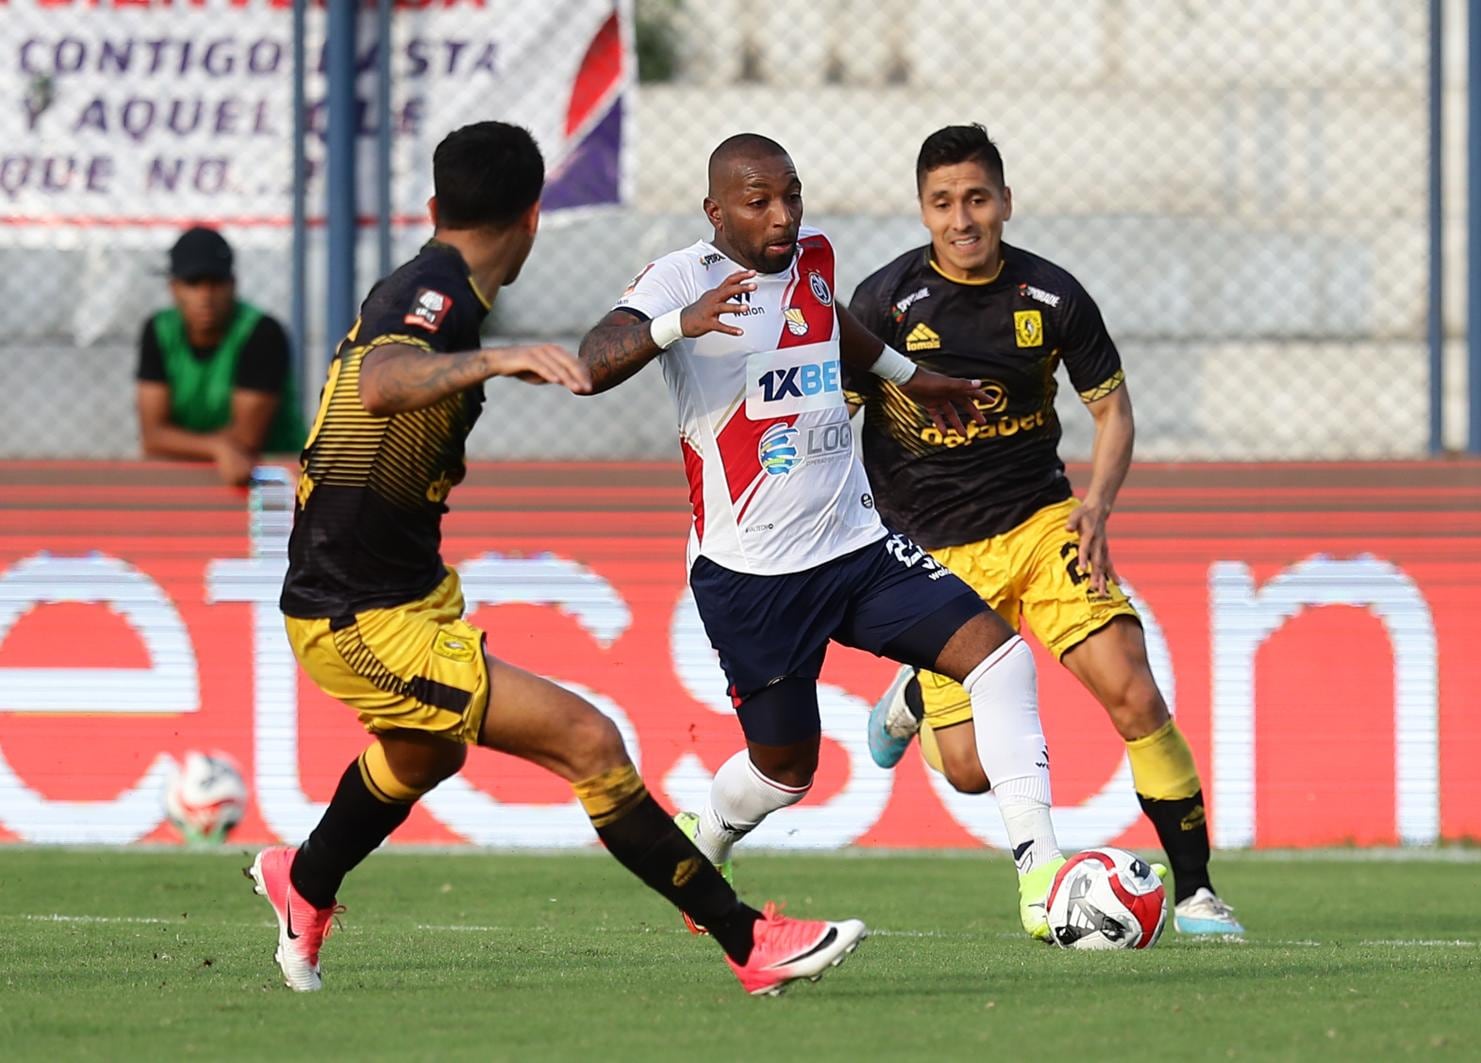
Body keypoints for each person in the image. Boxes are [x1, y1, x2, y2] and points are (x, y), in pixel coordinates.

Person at [251, 121, 866, 998]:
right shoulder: (435, 293)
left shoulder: (438, 285)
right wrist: (497, 359)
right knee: (590, 740)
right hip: (352, 614)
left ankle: (302, 881)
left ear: (435, 206)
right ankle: (749, 941)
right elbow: (385, 382)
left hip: (404, 596)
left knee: (423, 756)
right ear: (535, 218)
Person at [577, 132, 1073, 942]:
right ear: (716, 211)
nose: (782, 215)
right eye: (758, 201)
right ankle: (707, 840)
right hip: (751, 576)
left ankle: (1042, 873)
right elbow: (591, 363)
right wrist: (676, 325)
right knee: (785, 770)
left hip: (856, 545)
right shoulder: (682, 277)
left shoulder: (813, 256)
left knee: (1000, 654)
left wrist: (915, 379)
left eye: (792, 195)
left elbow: (827, 325)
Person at [847, 124, 1243, 936]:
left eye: (978, 199)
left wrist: (1097, 502)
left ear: (1006, 202)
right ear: (923, 211)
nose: (964, 219)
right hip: (936, 552)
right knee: (965, 770)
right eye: (944, 202)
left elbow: (1114, 413)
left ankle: (1199, 893)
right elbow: (835, 421)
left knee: (1135, 691)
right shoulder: (882, 304)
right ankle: (911, 700)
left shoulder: (1053, 297)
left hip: (1041, 522)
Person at [136, 226, 307, 486]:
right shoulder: (159, 331)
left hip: (276, 476)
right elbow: (152, 436)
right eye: (193, 283)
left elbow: (246, 440)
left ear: (233, 284)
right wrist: (216, 447)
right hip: (200, 474)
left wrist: (188, 444)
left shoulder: (261, 333)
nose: (205, 296)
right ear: (174, 288)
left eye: (215, 283)